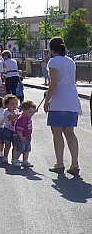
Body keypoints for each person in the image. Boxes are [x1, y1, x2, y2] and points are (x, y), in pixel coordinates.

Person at [44, 37, 82, 175]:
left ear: (52, 49)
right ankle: (75, 163)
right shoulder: (70, 61)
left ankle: (60, 163)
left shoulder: (53, 62)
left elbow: (54, 83)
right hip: (72, 100)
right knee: (70, 133)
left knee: (57, 132)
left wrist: (47, 100)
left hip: (59, 101)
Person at [12, 100, 37, 168]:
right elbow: (19, 130)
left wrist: (33, 111)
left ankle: (25, 161)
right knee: (20, 149)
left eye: (33, 113)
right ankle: (15, 159)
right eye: (30, 112)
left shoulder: (28, 117)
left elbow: (32, 112)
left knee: (27, 149)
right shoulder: (21, 119)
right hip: (20, 137)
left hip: (27, 137)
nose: (32, 114)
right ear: (24, 110)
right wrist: (21, 137)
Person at [1, 94, 20, 164]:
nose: (14, 105)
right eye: (12, 104)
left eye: (16, 103)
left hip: (15, 131)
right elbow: (11, 117)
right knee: (7, 145)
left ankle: (14, 158)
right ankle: (5, 157)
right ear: (7, 105)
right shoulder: (6, 112)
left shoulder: (17, 111)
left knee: (15, 146)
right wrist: (21, 115)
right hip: (8, 130)